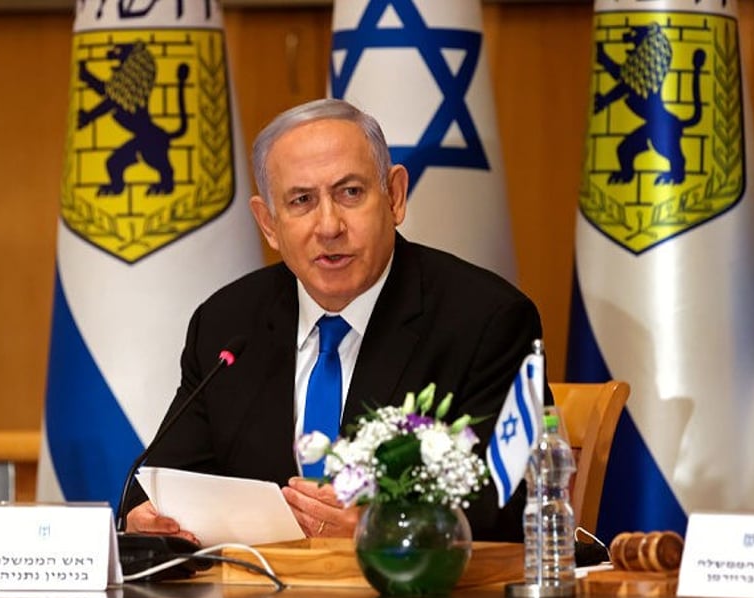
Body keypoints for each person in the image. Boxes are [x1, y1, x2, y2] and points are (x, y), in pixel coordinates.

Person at [124, 98, 548, 543]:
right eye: (302, 200)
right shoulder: (228, 324)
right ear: (269, 224)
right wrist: (144, 515)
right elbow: (161, 478)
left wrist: (386, 526)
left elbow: (515, 500)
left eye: (350, 193)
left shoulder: (486, 321)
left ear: (395, 196)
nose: (328, 226)